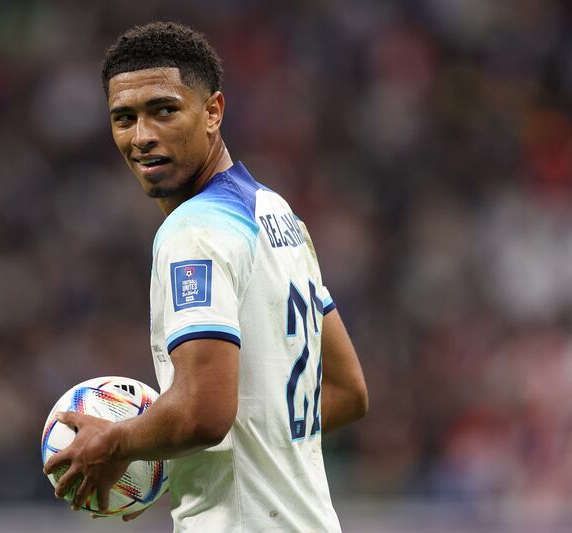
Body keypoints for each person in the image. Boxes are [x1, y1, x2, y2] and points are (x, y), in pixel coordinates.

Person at [43, 21, 368, 532]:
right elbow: (348, 392)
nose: (142, 136)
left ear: (213, 111)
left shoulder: (193, 232)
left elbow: (204, 413)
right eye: (123, 118)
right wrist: (174, 448)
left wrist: (119, 441)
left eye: (164, 111)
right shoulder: (276, 213)